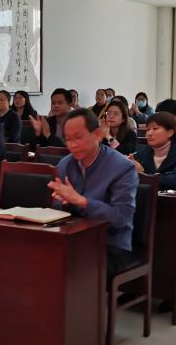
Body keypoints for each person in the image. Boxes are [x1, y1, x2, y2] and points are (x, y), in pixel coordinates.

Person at [48, 108, 138, 280]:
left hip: (111, 245)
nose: (72, 145)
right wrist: (64, 203)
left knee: (68, 268)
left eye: (78, 137)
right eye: (68, 139)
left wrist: (81, 201)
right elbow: (58, 210)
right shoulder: (65, 165)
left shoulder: (122, 167)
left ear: (97, 134)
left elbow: (121, 217)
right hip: (74, 239)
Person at [130, 111, 176, 191]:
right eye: (148, 129)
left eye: (155, 128)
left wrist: (144, 174)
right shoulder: (144, 152)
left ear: (170, 132)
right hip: (148, 195)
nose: (149, 133)